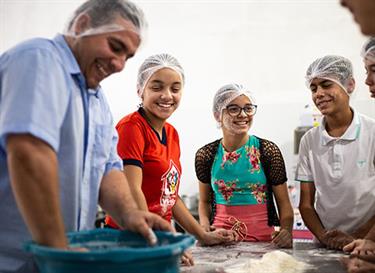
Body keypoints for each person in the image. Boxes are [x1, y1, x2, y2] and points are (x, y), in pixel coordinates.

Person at [0, 1, 173, 272]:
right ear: (82, 25)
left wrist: (130, 215)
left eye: (127, 57)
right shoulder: (40, 60)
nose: (119, 65)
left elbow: (107, 169)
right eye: (115, 47)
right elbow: (29, 153)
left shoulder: (96, 100)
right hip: (14, 260)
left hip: (59, 259)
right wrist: (56, 248)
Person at [104, 53, 236, 265]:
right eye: (156, 87)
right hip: (131, 238)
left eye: (175, 89)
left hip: (160, 235)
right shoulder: (131, 128)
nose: (167, 95)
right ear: (140, 90)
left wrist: (202, 235)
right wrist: (158, 242)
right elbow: (132, 189)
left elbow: (170, 196)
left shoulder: (172, 133)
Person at [195, 83, 294, 248]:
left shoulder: (267, 151)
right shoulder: (206, 155)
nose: (243, 115)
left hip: (264, 242)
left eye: (248, 108)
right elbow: (204, 202)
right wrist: (204, 227)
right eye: (233, 109)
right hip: (220, 241)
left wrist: (286, 231)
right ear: (217, 115)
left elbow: (284, 204)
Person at [295, 55, 375, 251]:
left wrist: (355, 237)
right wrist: (325, 237)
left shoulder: (372, 133)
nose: (319, 94)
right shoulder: (310, 140)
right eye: (313, 89)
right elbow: (305, 204)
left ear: (349, 85)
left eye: (326, 85)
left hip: (368, 244)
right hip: (325, 245)